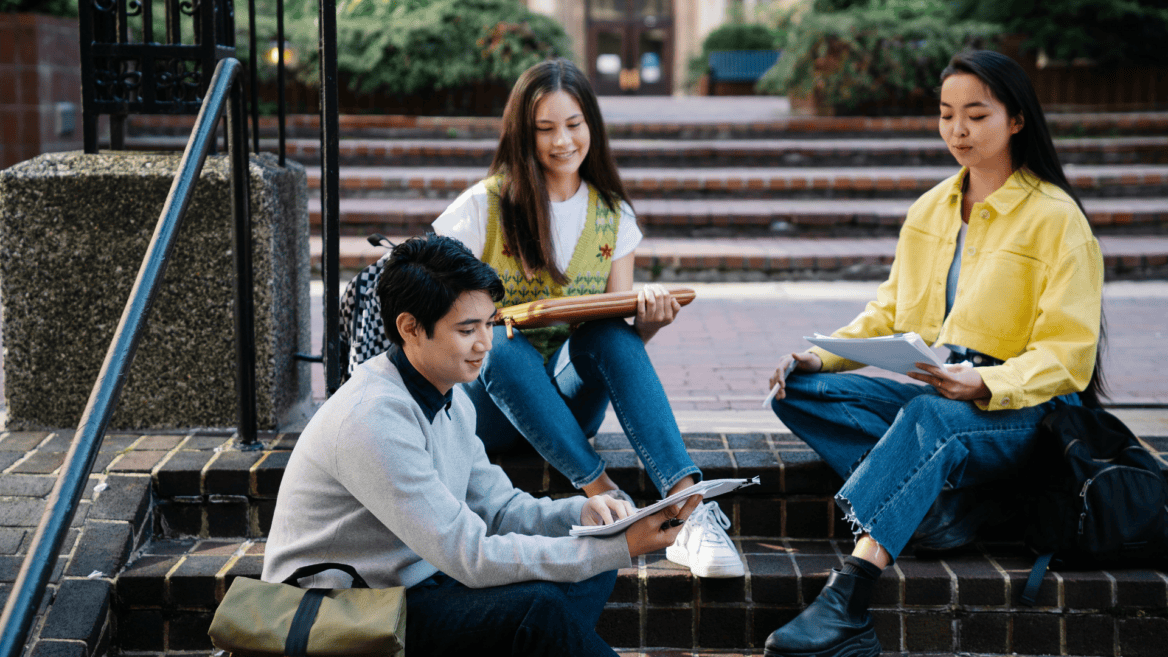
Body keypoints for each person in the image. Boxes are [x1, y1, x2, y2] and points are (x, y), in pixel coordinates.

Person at [761, 50, 1106, 657]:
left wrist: (986, 386)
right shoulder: (931, 209)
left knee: (928, 420)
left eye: (976, 114)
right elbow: (890, 312)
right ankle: (939, 515)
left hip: (1028, 408)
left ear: (1017, 120)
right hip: (947, 383)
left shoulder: (1057, 220)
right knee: (800, 393)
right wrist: (822, 357)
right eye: (947, 115)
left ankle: (850, 600)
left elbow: (1069, 355)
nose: (958, 131)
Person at [262, 234, 702, 656]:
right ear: (410, 328)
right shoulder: (372, 417)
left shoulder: (448, 396)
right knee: (538, 610)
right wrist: (619, 546)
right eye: (467, 329)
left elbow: (499, 509)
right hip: (343, 611)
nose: (485, 344)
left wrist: (584, 515)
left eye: (489, 324)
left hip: (415, 584)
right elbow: (470, 554)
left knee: (585, 573)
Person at [432, 57, 744, 578]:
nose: (562, 141)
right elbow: (435, 306)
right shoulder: (483, 208)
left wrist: (650, 323)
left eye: (574, 125)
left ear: (591, 127)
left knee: (609, 333)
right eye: (545, 129)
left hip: (568, 407)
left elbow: (613, 332)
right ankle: (609, 500)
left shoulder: (613, 213)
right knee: (500, 344)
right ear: (521, 134)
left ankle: (690, 510)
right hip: (488, 406)